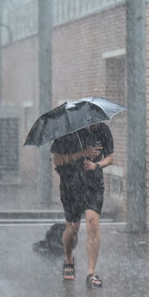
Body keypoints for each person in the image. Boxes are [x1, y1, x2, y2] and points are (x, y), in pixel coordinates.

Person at [50, 122, 114, 288]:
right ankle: (68, 257)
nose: (94, 123)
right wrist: (82, 154)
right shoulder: (66, 132)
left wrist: (96, 165)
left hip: (94, 185)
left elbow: (110, 158)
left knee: (93, 221)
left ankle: (91, 272)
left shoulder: (103, 130)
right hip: (71, 185)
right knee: (72, 228)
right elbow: (57, 160)